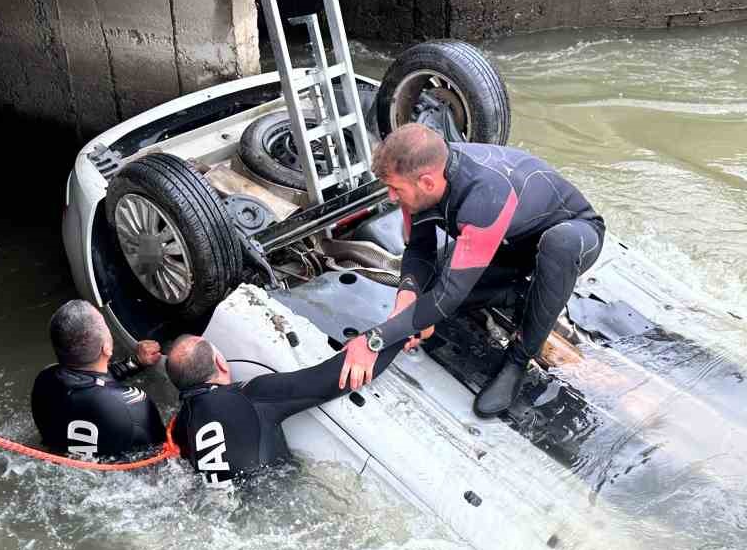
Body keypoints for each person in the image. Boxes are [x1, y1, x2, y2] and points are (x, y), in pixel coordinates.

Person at [337, 124, 605, 418]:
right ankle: (517, 295)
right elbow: (419, 250)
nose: (390, 197)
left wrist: (375, 339)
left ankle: (518, 358)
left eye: (396, 189)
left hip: (573, 236)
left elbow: (448, 296)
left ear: (427, 182)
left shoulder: (485, 195)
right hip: (505, 242)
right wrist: (405, 302)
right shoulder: (421, 177)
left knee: (559, 244)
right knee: (429, 288)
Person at [165, 334, 403, 487]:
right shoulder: (251, 395)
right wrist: (394, 335)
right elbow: (335, 378)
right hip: (278, 508)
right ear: (220, 363)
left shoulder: (179, 428)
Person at [29, 300, 164, 459]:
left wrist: (135, 362)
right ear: (106, 348)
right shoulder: (133, 403)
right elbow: (165, 455)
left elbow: (90, 380)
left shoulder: (45, 381)